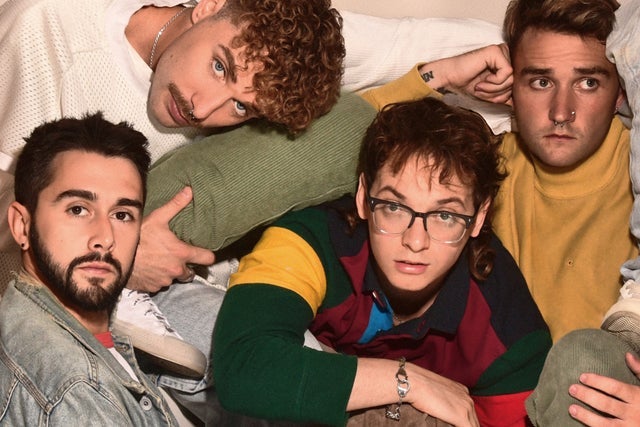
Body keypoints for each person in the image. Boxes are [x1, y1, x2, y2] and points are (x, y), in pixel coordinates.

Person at [213, 97, 551, 426]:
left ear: (479, 217)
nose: (415, 241)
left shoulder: (507, 323)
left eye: (445, 215)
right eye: (393, 207)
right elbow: (241, 367)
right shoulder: (312, 242)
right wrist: (408, 382)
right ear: (363, 196)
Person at [0, 112, 179, 425]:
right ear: (22, 225)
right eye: (78, 209)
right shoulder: (77, 391)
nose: (105, 238)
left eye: (122, 215)